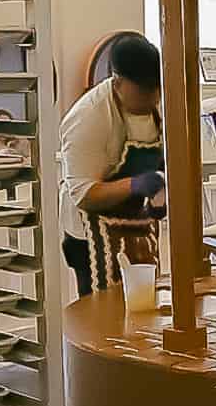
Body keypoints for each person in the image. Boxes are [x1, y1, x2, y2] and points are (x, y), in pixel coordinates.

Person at [59, 32, 167, 297]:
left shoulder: (157, 106)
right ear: (118, 83)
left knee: (143, 309)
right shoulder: (88, 118)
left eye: (156, 90)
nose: (152, 99)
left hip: (137, 229)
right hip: (91, 236)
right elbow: (84, 195)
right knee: (104, 318)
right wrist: (136, 185)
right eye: (143, 91)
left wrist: (160, 192)